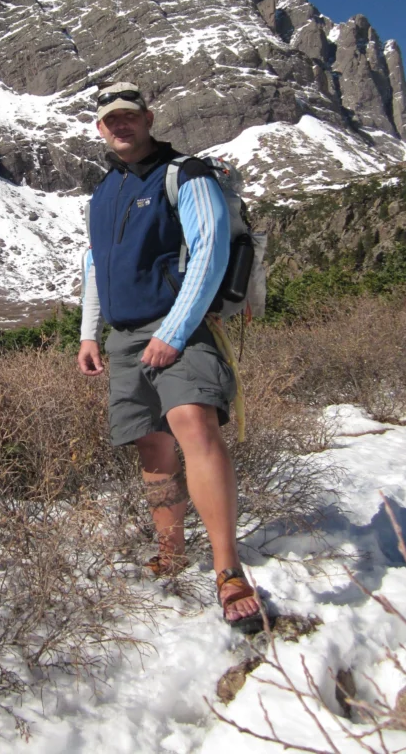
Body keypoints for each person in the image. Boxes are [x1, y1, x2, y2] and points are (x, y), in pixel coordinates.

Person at [77, 82, 262, 628]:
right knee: (152, 448)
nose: (121, 126)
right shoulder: (102, 192)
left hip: (176, 326)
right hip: (124, 334)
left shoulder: (186, 173)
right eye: (111, 120)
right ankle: (173, 550)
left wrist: (175, 332)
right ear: (100, 128)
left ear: (148, 117)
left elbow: (210, 250)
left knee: (194, 425)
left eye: (129, 116)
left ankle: (229, 571)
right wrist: (89, 334)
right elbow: (96, 265)